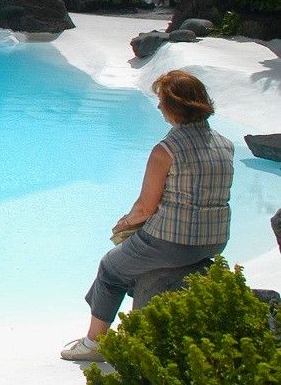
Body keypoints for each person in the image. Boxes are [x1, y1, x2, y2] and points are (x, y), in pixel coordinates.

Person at [60, 70, 233, 363]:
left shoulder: (166, 150)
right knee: (133, 261)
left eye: (162, 102)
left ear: (173, 107)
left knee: (111, 267)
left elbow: (145, 208)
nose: (159, 108)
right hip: (215, 241)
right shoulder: (225, 144)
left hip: (172, 242)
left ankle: (94, 343)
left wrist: (125, 223)